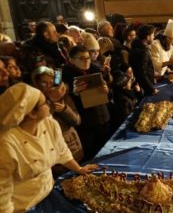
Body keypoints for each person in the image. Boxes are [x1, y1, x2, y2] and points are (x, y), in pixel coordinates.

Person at [0, 83, 98, 213]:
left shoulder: (49, 123)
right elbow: (3, 190)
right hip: (24, 206)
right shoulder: (6, 144)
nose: (49, 103)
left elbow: (62, 151)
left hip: (49, 192)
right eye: (45, 102)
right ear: (32, 114)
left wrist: (79, 169)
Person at [63, 45, 111, 161]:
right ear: (71, 60)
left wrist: (106, 89)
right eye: (81, 58)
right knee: (91, 153)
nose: (86, 61)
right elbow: (58, 95)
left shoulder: (95, 68)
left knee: (106, 150)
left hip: (103, 116)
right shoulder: (63, 74)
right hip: (85, 121)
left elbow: (108, 91)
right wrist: (73, 92)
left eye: (88, 58)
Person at [31, 66, 84, 164]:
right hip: (54, 150)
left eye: (51, 82)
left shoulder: (64, 97)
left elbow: (77, 121)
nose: (48, 86)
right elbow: (39, 124)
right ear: (36, 84)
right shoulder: (34, 102)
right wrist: (52, 101)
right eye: (44, 83)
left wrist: (65, 109)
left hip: (73, 144)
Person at [129, 24, 158, 97]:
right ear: (148, 37)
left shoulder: (137, 46)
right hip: (145, 88)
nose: (154, 37)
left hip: (143, 85)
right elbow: (142, 73)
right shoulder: (143, 51)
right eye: (153, 35)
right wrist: (151, 89)